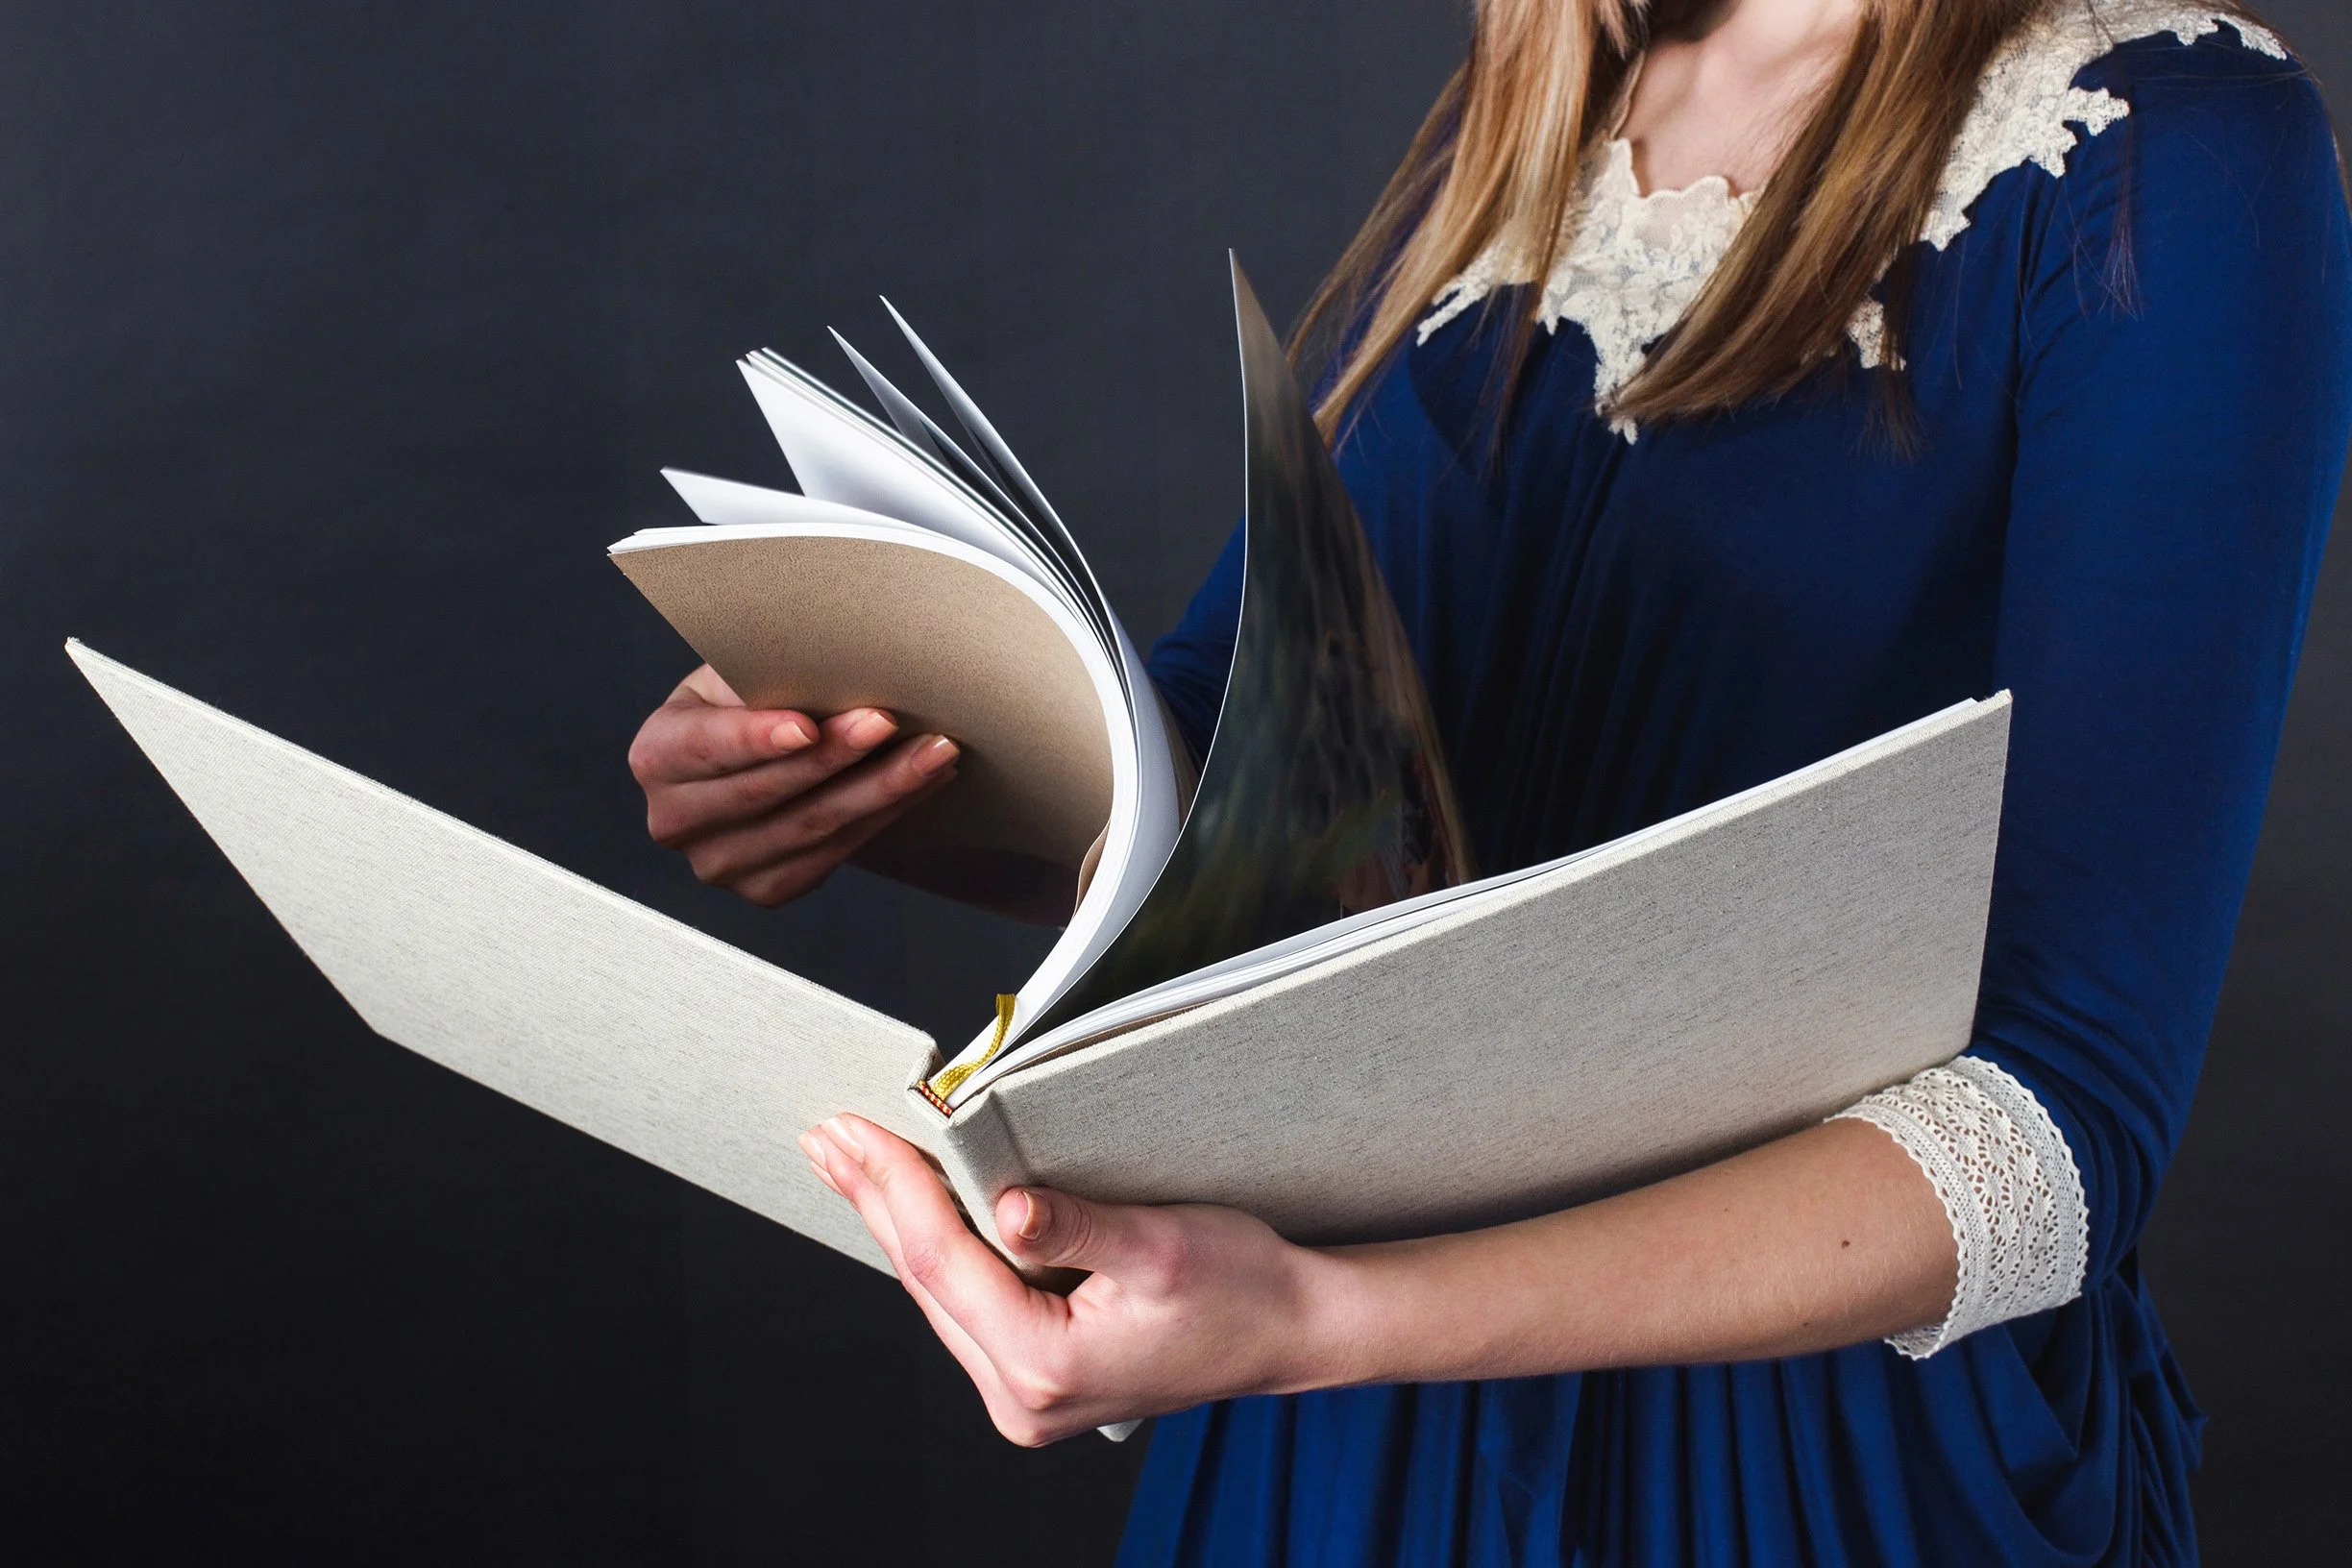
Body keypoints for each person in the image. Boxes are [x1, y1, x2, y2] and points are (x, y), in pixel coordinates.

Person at [626, 0, 2351, 1560]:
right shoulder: (1529, 112)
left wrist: (1327, 1319)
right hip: (1335, 1433)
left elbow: (2060, 1125)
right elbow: (1275, 786)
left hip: (1812, 1459)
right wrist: (870, 767)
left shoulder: (2170, 145)